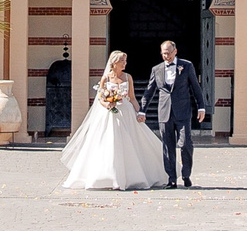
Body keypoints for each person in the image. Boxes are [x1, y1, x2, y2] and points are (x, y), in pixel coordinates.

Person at [58, 50, 167, 190]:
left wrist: (140, 112)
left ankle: (132, 176)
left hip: (126, 113)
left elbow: (132, 98)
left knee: (130, 141)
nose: (125, 63)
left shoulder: (128, 77)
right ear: (114, 62)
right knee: (108, 142)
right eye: (122, 61)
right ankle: (107, 176)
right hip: (109, 114)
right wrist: (107, 104)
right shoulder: (106, 78)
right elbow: (100, 98)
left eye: (125, 61)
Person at [142, 38, 208, 188]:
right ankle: (171, 178)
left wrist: (201, 107)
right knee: (167, 146)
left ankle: (186, 174)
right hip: (164, 113)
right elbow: (149, 91)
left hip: (183, 111)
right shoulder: (156, 69)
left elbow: (196, 88)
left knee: (185, 144)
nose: (166, 56)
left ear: (175, 51)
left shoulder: (187, 66)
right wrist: (142, 110)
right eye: (164, 54)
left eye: (169, 53)